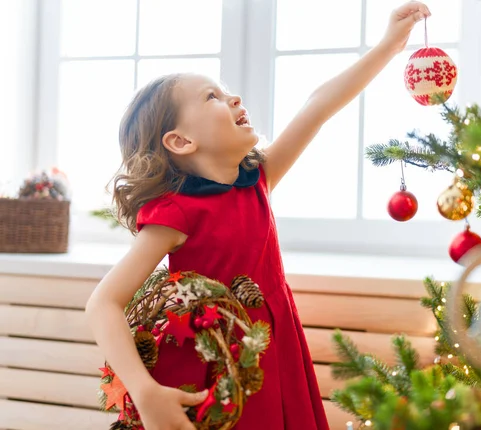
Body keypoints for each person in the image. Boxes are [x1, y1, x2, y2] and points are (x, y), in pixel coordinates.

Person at [85, 2, 431, 429]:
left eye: (225, 90)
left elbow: (317, 105)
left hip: (277, 350)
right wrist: (143, 388)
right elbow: (103, 302)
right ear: (180, 140)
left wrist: (388, 46)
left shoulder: (256, 178)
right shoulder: (175, 213)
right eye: (211, 96)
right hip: (219, 372)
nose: (233, 97)